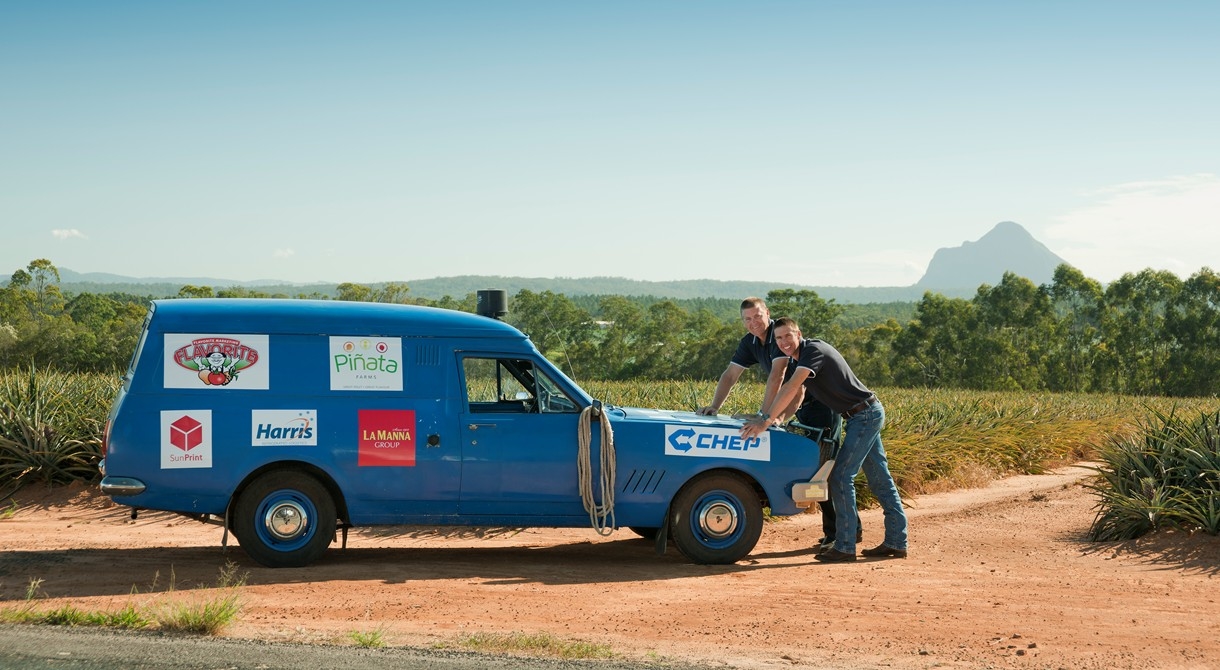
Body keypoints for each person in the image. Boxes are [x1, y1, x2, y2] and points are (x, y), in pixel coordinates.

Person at [742, 317, 908, 563]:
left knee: (840, 476)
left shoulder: (813, 351)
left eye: (788, 335)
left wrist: (765, 420)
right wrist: (779, 420)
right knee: (879, 478)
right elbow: (797, 394)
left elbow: (789, 387)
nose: (784, 342)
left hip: (864, 415)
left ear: (799, 334)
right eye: (778, 338)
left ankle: (845, 545)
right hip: (862, 415)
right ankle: (896, 541)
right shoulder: (800, 358)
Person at [696, 298, 857, 549]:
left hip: (819, 407)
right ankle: (835, 531)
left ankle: (846, 532)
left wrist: (766, 418)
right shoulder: (749, 342)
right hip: (793, 406)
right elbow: (730, 374)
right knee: (813, 470)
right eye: (747, 319)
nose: (753, 323)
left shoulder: (777, 338)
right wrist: (715, 406)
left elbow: (778, 377)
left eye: (757, 316)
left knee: (827, 469)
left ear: (767, 314)